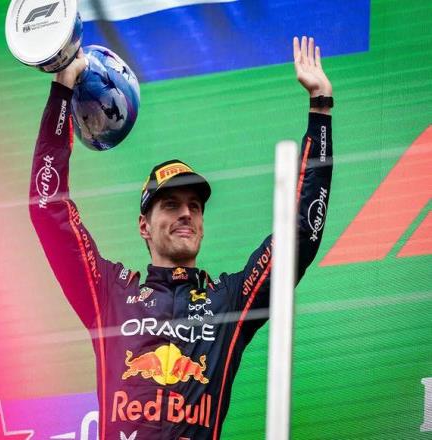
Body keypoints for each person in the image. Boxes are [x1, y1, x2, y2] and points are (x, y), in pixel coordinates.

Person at [29, 36, 333, 440]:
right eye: (170, 205)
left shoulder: (229, 301)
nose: (186, 213)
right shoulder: (108, 295)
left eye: (195, 206)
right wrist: (62, 91)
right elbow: (47, 209)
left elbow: (302, 234)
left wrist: (320, 109)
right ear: (144, 226)